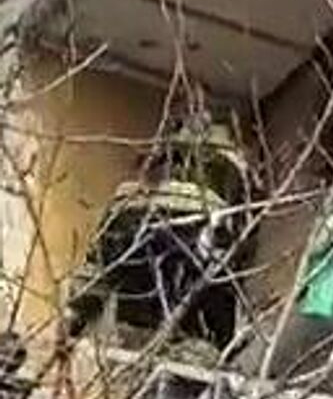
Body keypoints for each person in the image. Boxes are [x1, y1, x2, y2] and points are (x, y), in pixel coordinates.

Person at [62, 117, 256, 355]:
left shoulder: (129, 203)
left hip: (128, 338)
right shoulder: (219, 219)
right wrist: (227, 344)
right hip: (176, 344)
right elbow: (224, 298)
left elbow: (94, 276)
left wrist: (71, 322)